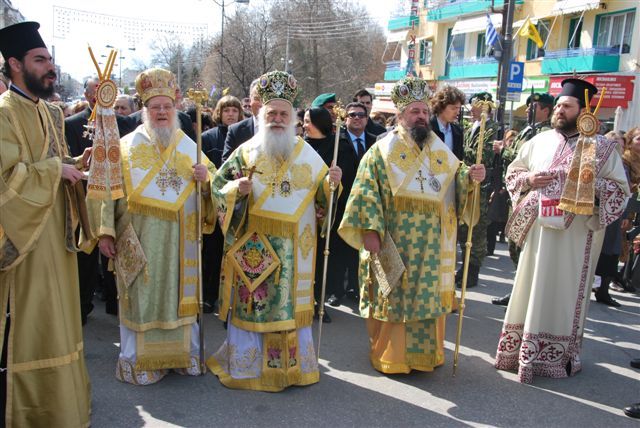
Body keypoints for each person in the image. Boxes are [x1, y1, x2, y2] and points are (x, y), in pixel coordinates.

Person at [338, 76, 485, 374]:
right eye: (413, 112)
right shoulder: (381, 151)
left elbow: (457, 181)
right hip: (393, 241)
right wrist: (370, 233)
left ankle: (426, 357)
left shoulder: (439, 150)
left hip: (432, 248)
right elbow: (366, 192)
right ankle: (392, 357)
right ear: (401, 115)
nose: (420, 117)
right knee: (393, 298)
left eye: (423, 111)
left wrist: (471, 177)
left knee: (426, 300)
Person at [208, 70, 342, 391]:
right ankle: (249, 368)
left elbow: (324, 204)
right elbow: (217, 188)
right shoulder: (245, 152)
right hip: (255, 248)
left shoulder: (309, 156)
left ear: (295, 118)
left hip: (297, 251)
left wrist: (332, 184)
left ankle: (291, 369)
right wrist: (234, 191)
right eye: (272, 113)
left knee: (291, 309)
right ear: (261, 115)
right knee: (255, 307)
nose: (278, 119)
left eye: (284, 113)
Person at [494, 78, 629, 384]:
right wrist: (530, 180)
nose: (558, 110)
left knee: (564, 293)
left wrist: (585, 184)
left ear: (584, 111)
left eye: (566, 106)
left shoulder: (604, 149)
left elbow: (621, 191)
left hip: (577, 237)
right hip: (539, 236)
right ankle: (519, 353)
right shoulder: (539, 140)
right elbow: (513, 172)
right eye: (556, 105)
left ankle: (558, 356)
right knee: (531, 285)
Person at [97, 68, 216, 385]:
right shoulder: (125, 147)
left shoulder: (189, 146)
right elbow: (109, 191)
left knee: (179, 295)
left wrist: (206, 183)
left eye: (166, 106)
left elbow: (213, 193)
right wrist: (105, 232)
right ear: (144, 110)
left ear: (175, 108)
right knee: (142, 298)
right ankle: (141, 362)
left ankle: (181, 357)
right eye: (155, 107)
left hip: (181, 241)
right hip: (138, 238)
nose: (161, 112)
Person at [0, 21, 91, 426]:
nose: (50, 68)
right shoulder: (3, 114)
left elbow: (51, 162)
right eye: (40, 61)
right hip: (26, 244)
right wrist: (58, 169)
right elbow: (6, 180)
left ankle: (62, 407)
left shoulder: (50, 112)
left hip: (55, 235)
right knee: (33, 325)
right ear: (15, 64)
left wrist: (76, 164)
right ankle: (30, 412)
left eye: (50, 60)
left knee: (60, 322)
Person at [492, 93, 554, 306]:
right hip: (517, 194)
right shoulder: (529, 130)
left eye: (533, 106)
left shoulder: (545, 133)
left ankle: (525, 296)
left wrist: (503, 150)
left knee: (523, 249)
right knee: (514, 246)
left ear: (546, 110)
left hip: (530, 198)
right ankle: (519, 292)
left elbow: (523, 159)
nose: (528, 110)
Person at [201, 95, 244, 313]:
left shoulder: (244, 137)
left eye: (234, 110)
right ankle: (209, 294)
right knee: (213, 250)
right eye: (226, 110)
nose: (230, 114)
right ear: (219, 112)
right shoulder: (207, 138)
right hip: (213, 203)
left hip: (238, 201)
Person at [456, 92, 499, 288]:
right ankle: (463, 267)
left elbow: (486, 155)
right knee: (463, 228)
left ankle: (472, 270)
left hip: (480, 186)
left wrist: (460, 150)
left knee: (476, 229)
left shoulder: (491, 128)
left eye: (475, 105)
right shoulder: (468, 127)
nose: (471, 109)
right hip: (464, 181)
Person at [221, 79, 262, 162]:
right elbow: (227, 165)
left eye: (265, 99)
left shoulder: (283, 130)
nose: (261, 103)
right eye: (257, 98)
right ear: (250, 100)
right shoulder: (235, 131)